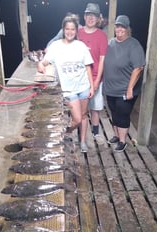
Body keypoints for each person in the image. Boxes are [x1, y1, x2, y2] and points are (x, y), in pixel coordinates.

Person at [37, 16, 94, 153]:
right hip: (69, 90)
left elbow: (88, 67)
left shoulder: (81, 46)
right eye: (67, 29)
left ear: (76, 31)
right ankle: (66, 132)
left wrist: (91, 86)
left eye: (72, 29)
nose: (70, 32)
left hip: (84, 87)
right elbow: (44, 61)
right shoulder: (55, 46)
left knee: (84, 115)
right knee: (77, 119)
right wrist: (40, 64)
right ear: (63, 30)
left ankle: (83, 141)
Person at [103, 15, 145, 152]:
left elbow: (139, 67)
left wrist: (130, 88)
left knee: (122, 114)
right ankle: (116, 135)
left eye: (123, 26)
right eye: (117, 26)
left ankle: (122, 141)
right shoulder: (110, 43)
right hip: (110, 89)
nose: (119, 29)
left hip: (125, 89)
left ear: (127, 29)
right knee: (114, 112)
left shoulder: (134, 44)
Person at [78, 3, 108, 147]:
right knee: (79, 108)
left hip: (95, 77)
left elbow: (102, 60)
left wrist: (96, 82)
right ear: (84, 16)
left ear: (98, 19)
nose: (90, 18)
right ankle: (79, 132)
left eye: (93, 16)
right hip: (79, 78)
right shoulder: (78, 32)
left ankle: (96, 131)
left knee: (95, 107)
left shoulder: (102, 36)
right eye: (88, 15)